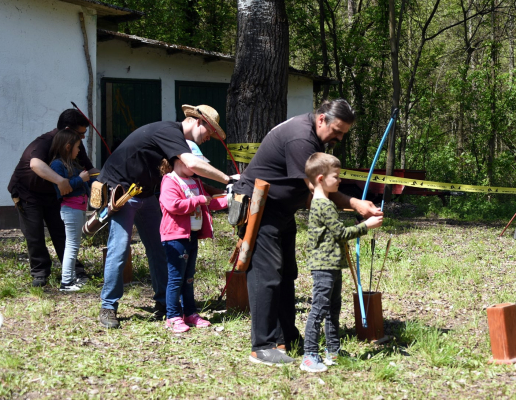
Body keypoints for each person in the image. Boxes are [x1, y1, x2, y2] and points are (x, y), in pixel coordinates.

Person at [237, 99, 382, 366]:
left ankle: (286, 338)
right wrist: (356, 203)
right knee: (267, 275)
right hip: (261, 209)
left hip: (281, 210)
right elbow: (319, 191)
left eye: (343, 133)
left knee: (286, 274)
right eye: (336, 131)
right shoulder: (300, 139)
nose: (338, 138)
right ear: (321, 119)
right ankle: (262, 346)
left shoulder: (314, 137)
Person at [96, 104, 239, 329]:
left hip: (145, 192)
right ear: (199, 122)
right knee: (120, 247)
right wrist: (228, 180)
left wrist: (225, 189)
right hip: (121, 190)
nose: (208, 138)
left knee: (160, 247)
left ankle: (165, 304)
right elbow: (192, 164)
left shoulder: (177, 139)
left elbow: (196, 181)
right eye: (209, 133)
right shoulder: (171, 132)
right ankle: (109, 306)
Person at [300, 153, 383, 372]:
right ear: (320, 178)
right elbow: (340, 233)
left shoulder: (324, 202)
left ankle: (333, 352)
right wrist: (367, 226)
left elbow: (334, 230)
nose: (340, 181)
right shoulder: (324, 205)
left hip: (332, 264)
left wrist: (362, 221)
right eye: (336, 176)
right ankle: (309, 355)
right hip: (324, 266)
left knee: (333, 308)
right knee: (319, 309)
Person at [8, 109, 95, 287]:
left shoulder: (76, 145)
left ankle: (73, 271)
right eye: (81, 134)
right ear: (69, 129)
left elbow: (90, 170)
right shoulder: (45, 142)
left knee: (61, 232)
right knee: (35, 234)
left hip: (53, 195)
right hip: (27, 193)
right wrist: (60, 181)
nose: (83, 139)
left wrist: (107, 180)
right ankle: (40, 273)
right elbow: (35, 163)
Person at [159, 141, 228, 333]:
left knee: (188, 277)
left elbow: (209, 203)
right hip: (174, 238)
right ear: (181, 160)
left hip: (191, 236)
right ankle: (173, 316)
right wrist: (198, 200)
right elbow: (174, 205)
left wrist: (229, 200)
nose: (198, 169)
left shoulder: (195, 181)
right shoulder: (169, 181)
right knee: (176, 278)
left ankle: (190, 313)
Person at [49, 129, 94, 292]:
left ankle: (71, 278)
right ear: (68, 147)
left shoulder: (73, 164)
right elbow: (63, 189)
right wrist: (80, 179)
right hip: (71, 209)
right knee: (72, 245)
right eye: (77, 146)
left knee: (74, 245)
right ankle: (66, 282)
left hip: (78, 208)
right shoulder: (57, 165)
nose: (79, 150)